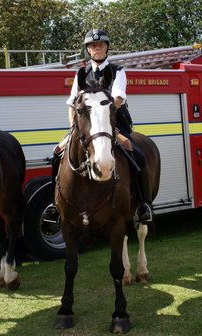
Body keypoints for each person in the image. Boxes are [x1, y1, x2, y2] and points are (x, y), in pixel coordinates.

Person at [46, 29, 152, 224]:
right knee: (56, 154)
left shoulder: (118, 71)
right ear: (88, 49)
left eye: (100, 45)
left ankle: (144, 204)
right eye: (93, 46)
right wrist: (73, 128)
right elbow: (72, 104)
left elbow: (118, 99)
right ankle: (54, 205)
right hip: (85, 128)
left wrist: (103, 116)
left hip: (114, 125)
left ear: (106, 48)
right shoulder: (81, 73)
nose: (97, 48)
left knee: (137, 154)